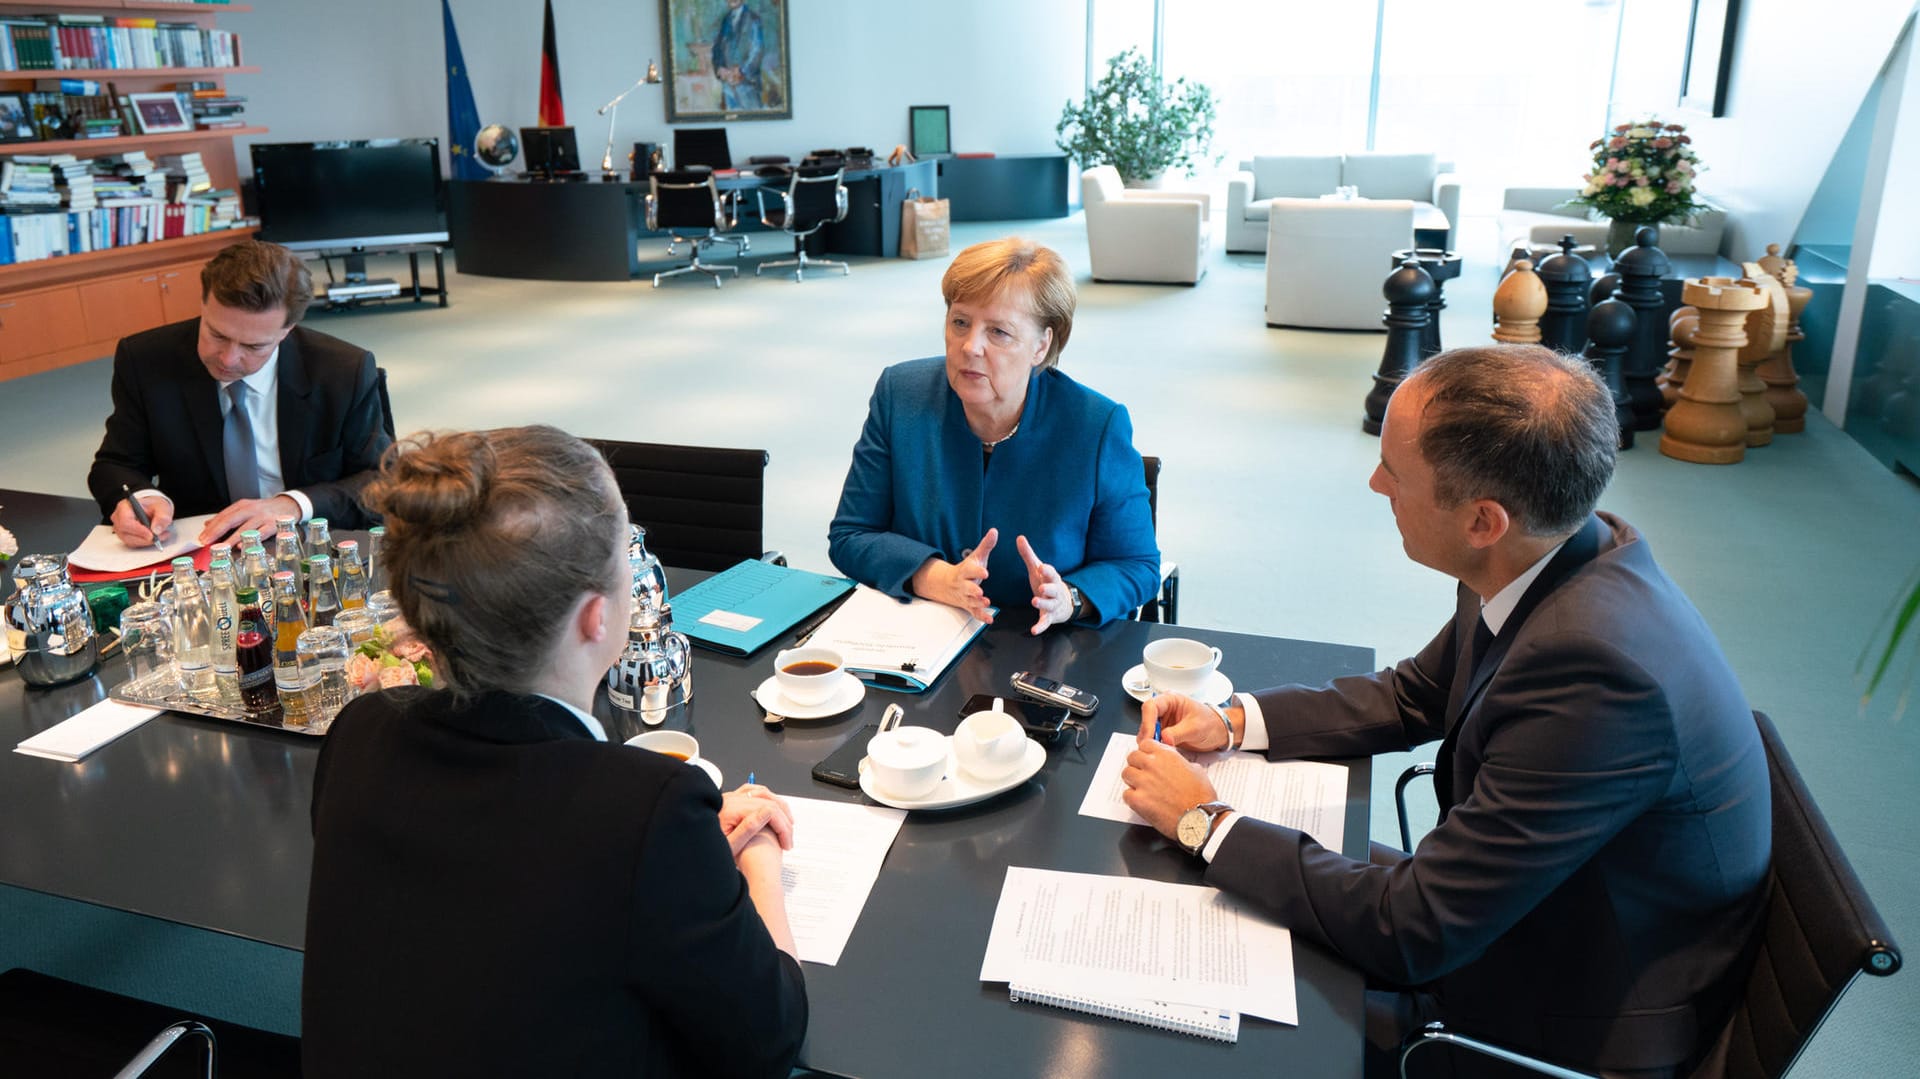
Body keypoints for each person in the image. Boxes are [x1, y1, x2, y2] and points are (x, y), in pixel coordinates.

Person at [1121, 346, 1770, 1078]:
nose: (1374, 482)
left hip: (1569, 1014)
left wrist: (1204, 819)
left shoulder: (1597, 673)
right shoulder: (1555, 551)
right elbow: (1414, 693)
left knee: (1200, 1029)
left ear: (1482, 519)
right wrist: (1234, 720)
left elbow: (1413, 930)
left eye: (1394, 472)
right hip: (1532, 908)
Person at [301, 425, 807, 1078]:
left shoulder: (360, 734)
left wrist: (679, 861)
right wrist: (755, 858)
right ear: (597, 616)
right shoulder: (644, 811)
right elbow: (769, 1037)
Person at [828, 237, 1160, 633]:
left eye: (999, 332)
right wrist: (935, 577)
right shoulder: (901, 394)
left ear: (1041, 345)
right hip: (919, 642)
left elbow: (1137, 566)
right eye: (960, 322)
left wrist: (1069, 597)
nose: (971, 347)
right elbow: (851, 534)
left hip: (1040, 650)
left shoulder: (1095, 426)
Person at [86, 239, 390, 547]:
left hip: (305, 544)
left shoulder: (341, 370)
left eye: (254, 346)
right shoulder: (146, 360)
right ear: (203, 304)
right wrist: (142, 497)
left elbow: (380, 481)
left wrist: (293, 505)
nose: (229, 359)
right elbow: (115, 465)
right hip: (196, 547)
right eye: (217, 334)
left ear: (288, 330)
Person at [712, 0, 765, 111]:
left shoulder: (753, 19)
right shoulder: (726, 20)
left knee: (753, 121)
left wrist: (742, 71)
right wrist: (719, 68)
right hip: (728, 86)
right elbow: (717, 48)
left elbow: (757, 51)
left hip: (748, 85)